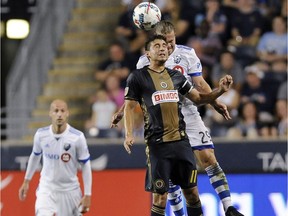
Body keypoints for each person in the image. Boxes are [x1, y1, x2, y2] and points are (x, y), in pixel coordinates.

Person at [112, 20, 244, 216]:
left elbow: (199, 86)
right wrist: (123, 111)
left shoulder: (186, 55)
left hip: (189, 112)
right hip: (160, 120)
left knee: (208, 157)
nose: (167, 46)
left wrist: (215, 102)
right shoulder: (144, 62)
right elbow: (135, 93)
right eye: (163, 42)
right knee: (171, 177)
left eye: (171, 41)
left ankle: (228, 207)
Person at [19, 99, 92, 216]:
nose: (59, 114)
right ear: (50, 113)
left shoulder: (77, 137)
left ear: (67, 113)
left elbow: (86, 165)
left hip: (70, 191)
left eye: (62, 111)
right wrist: (26, 181)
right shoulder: (41, 135)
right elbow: (35, 156)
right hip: (47, 189)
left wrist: (88, 194)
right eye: (56, 111)